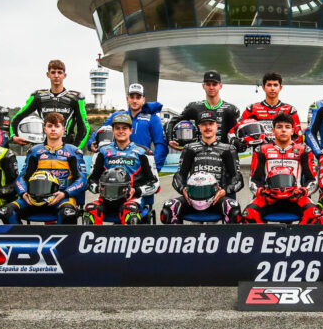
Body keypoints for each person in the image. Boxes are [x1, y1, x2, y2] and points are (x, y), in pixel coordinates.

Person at [87, 82, 167, 217]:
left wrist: (154, 168)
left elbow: (161, 144)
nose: (135, 100)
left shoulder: (152, 119)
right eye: (132, 97)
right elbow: (101, 130)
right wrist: (91, 143)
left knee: (133, 211)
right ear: (127, 98)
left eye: (138, 97)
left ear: (143, 99)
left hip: (140, 171)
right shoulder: (118, 116)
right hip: (116, 172)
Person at [0, 112, 85, 224]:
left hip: (61, 198)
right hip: (34, 199)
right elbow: (22, 177)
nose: (53, 129)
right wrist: (23, 193)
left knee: (68, 213)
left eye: (57, 126)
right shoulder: (35, 151)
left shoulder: (73, 151)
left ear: (63, 129)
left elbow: (82, 179)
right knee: (6, 211)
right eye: (50, 126)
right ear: (45, 129)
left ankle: (60, 236)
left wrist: (65, 193)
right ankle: (20, 236)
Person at [161, 111, 243, 224]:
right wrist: (183, 189)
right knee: (169, 209)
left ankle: (222, 236)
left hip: (217, 198)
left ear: (216, 126)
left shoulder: (228, 149)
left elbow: (238, 178)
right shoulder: (189, 148)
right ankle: (181, 236)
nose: (207, 127)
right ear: (199, 127)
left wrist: (225, 191)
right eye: (204, 124)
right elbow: (179, 176)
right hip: (192, 198)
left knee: (234, 211)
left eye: (211, 124)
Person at [243, 113, 323, 224]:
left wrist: (302, 191)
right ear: (273, 130)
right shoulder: (261, 150)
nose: (283, 130)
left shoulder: (304, 150)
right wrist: (261, 192)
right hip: (269, 198)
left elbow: (313, 180)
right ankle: (263, 235)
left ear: (292, 131)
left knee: (313, 214)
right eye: (279, 127)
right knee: (249, 214)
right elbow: (254, 180)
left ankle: (298, 236)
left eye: (287, 127)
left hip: (296, 198)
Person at [83, 113, 159, 224]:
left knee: (130, 213)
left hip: (132, 199)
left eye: (124, 128)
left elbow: (155, 183)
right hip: (106, 199)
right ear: (113, 131)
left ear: (131, 131)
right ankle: (96, 236)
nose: (121, 131)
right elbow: (91, 181)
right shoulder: (102, 152)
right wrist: (100, 189)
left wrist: (136, 190)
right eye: (117, 128)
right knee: (90, 211)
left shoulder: (144, 152)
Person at [9, 59, 90, 148]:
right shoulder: (38, 97)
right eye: (53, 72)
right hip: (42, 148)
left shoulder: (76, 98)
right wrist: (14, 136)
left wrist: (76, 149)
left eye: (59, 72)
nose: (56, 75)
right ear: (48, 75)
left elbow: (84, 127)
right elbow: (17, 118)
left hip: (67, 148)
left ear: (64, 75)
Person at [168, 70, 241, 150]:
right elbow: (173, 121)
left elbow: (237, 133)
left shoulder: (230, 109)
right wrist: (170, 140)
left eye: (214, 84)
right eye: (208, 84)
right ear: (203, 86)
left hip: (224, 154)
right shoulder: (194, 107)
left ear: (220, 86)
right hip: (198, 154)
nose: (211, 87)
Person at [234, 71, 304, 144]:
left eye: (275, 85)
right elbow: (235, 130)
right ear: (263, 87)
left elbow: (298, 137)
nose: (272, 88)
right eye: (269, 85)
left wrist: (282, 145)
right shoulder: (252, 109)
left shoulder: (290, 110)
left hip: (283, 150)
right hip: (259, 149)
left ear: (280, 88)